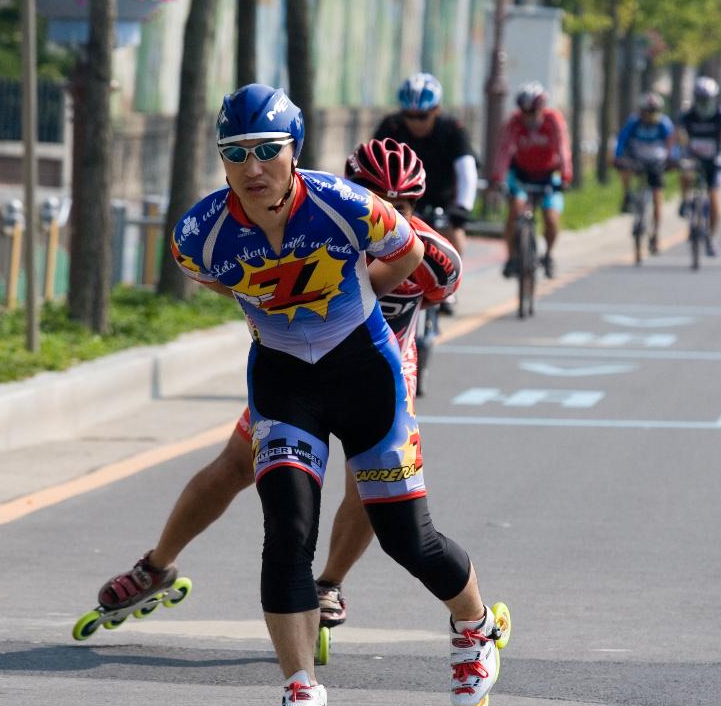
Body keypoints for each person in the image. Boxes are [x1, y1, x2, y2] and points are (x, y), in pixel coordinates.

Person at [102, 85, 499, 706]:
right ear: (221, 160)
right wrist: (273, 306)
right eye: (235, 154)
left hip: (365, 374)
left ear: (294, 153)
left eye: (266, 152)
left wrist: (357, 294)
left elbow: (406, 252)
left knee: (408, 540)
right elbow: (212, 276)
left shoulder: (344, 206)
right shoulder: (199, 233)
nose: (252, 168)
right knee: (286, 527)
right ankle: (299, 688)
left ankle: (475, 626)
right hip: (283, 382)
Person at [98, 136, 462, 636]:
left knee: (369, 484)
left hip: (382, 369)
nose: (386, 209)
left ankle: (329, 583)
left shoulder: (431, 256)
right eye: (374, 195)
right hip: (301, 366)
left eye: (399, 204)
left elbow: (441, 295)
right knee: (233, 465)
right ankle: (156, 566)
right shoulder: (320, 221)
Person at [374, 73, 477, 310]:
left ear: (436, 110)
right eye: (410, 116)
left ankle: (449, 287)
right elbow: (371, 162)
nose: (416, 122)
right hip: (401, 197)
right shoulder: (391, 126)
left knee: (454, 231)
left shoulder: (452, 129)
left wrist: (463, 207)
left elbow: (466, 170)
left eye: (423, 116)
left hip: (442, 197)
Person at [491, 81, 573, 280]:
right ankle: (511, 257)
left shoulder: (553, 120)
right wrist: (498, 177)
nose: (528, 117)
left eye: (533, 112)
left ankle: (548, 255)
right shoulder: (514, 122)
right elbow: (504, 150)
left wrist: (565, 175)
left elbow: (563, 147)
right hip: (521, 173)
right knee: (516, 209)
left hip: (548, 174)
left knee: (551, 218)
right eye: (524, 112)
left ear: (542, 108)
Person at [677, 76, 721, 256]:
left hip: (714, 159)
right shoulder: (688, 114)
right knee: (686, 172)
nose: (704, 102)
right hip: (693, 157)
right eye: (701, 98)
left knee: (714, 198)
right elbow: (678, 135)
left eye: (707, 98)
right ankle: (685, 199)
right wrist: (676, 153)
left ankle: (712, 237)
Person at [614, 91, 675, 254]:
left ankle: (655, 233)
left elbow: (671, 144)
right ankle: (626, 195)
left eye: (653, 111)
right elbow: (621, 140)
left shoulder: (664, 124)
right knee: (624, 169)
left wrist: (671, 159)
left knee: (657, 198)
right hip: (637, 160)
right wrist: (618, 157)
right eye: (647, 111)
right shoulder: (633, 123)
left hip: (656, 162)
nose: (649, 115)